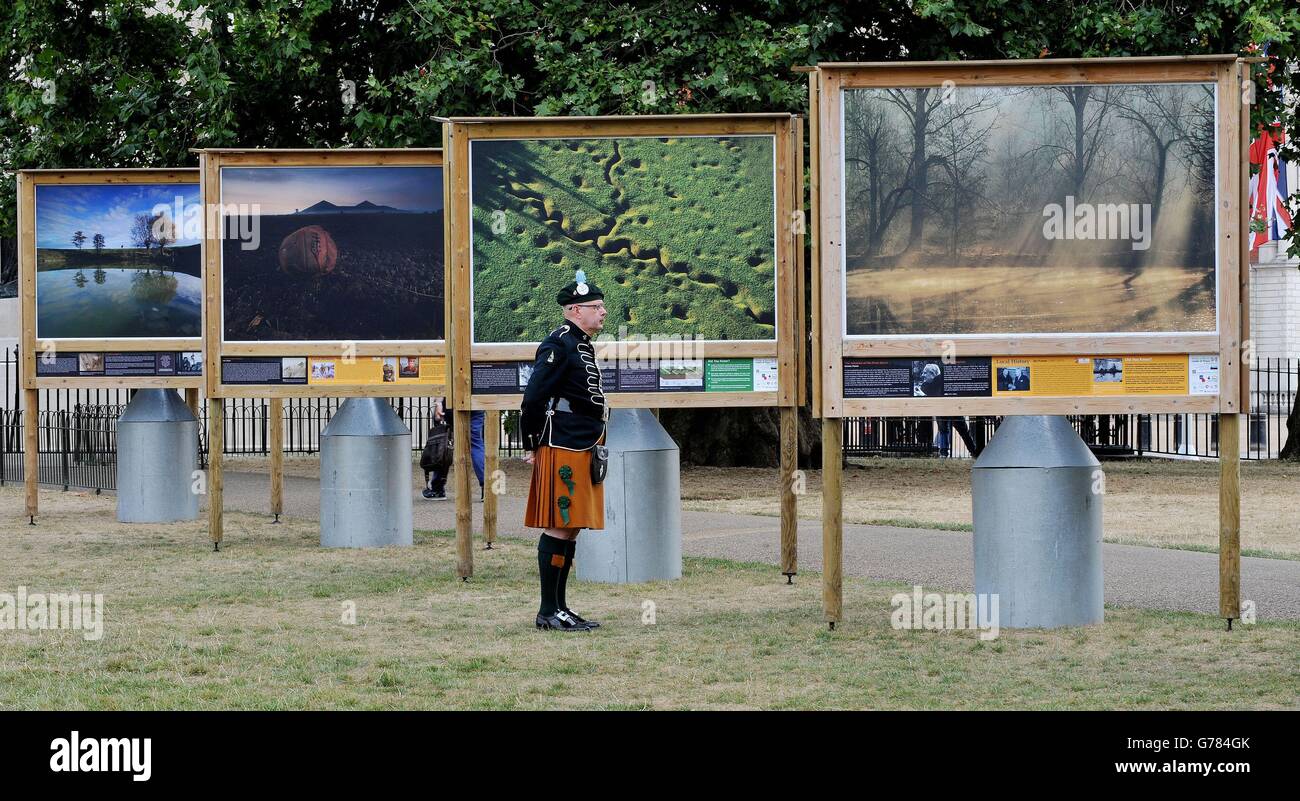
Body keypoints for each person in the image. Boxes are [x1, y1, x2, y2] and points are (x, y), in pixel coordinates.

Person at [521, 269, 609, 632]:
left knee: (571, 528)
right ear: (575, 310)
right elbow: (533, 398)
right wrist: (531, 443)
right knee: (560, 525)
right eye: (596, 307)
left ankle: (561, 608)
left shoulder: (580, 344)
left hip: (582, 439)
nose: (603, 312)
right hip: (563, 440)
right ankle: (547, 610)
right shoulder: (559, 344)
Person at [420, 399, 485, 500]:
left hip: (452, 401)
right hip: (475, 401)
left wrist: (438, 402)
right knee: (476, 444)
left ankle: (438, 488)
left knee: (442, 442)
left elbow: (442, 383)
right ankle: (486, 487)